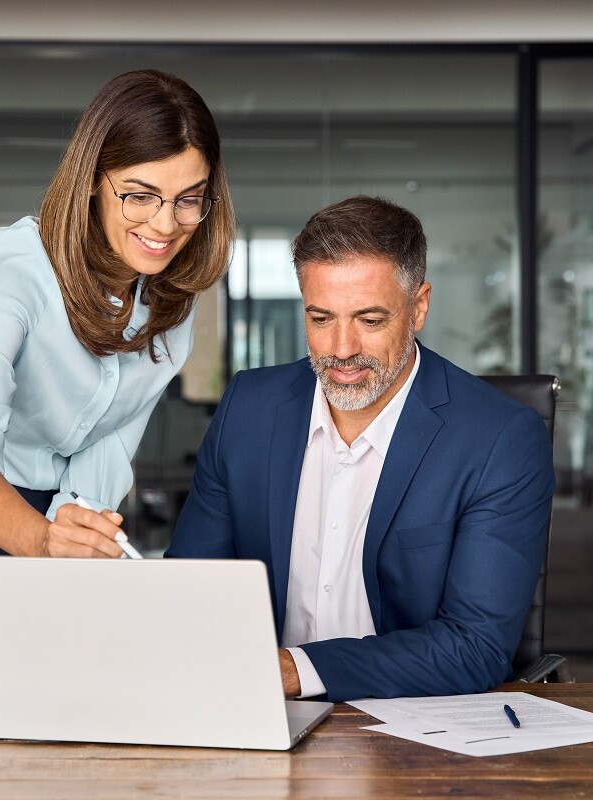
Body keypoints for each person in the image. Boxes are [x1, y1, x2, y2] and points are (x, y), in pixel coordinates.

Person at [0, 69, 235, 689]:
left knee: (43, 731)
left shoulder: (170, 311)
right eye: (139, 195)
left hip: (47, 519)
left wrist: (73, 540)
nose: (166, 224)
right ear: (91, 185)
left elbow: (106, 448)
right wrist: (43, 544)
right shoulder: (7, 271)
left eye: (188, 197)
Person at [166, 195, 554, 703]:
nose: (342, 350)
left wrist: (294, 670)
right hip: (255, 711)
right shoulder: (249, 409)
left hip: (410, 726)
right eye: (321, 318)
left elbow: (473, 645)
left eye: (370, 321)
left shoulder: (499, 439)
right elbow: (188, 588)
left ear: (418, 307)